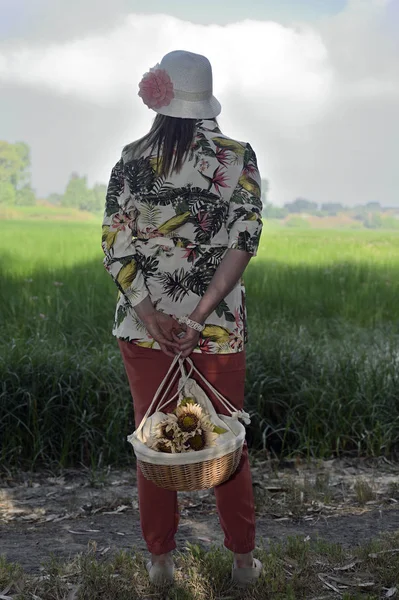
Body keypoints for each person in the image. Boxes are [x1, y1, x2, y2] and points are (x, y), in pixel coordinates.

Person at [101, 50, 264, 587]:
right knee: (227, 442)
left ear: (160, 97)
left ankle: (160, 563)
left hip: (142, 330)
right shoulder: (238, 156)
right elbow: (243, 243)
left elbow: (116, 246)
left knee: (153, 441)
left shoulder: (129, 159)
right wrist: (197, 316)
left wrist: (151, 316)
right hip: (215, 329)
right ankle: (242, 562)